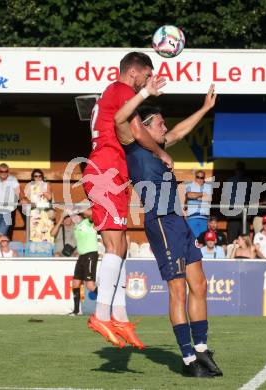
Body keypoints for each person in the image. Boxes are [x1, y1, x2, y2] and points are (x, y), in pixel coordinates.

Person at [115, 81, 222, 377]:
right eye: (160, 123)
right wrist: (143, 93)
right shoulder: (134, 146)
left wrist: (204, 108)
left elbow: (179, 132)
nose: (165, 128)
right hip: (161, 221)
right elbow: (120, 119)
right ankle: (188, 360)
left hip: (179, 221)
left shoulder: (158, 144)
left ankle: (201, 349)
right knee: (178, 290)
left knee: (199, 285)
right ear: (145, 126)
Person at [84, 52, 172, 350]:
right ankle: (100, 314)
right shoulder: (122, 90)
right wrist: (160, 153)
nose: (150, 81)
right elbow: (135, 131)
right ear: (137, 71)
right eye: (148, 75)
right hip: (105, 171)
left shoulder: (117, 93)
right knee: (114, 247)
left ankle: (119, 316)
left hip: (113, 173)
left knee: (120, 247)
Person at [70, 209, 98, 316]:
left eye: (77, 216)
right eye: (73, 217)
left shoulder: (87, 222)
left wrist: (79, 209)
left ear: (82, 217)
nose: (74, 218)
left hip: (90, 254)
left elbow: (92, 213)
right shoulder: (76, 228)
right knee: (75, 283)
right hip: (82, 256)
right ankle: (76, 311)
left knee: (90, 286)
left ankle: (106, 306)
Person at [225, 161, 251, 244]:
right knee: (232, 238)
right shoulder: (230, 180)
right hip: (233, 211)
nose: (240, 171)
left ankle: (244, 255)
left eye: (241, 169)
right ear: (235, 170)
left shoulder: (248, 181)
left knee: (244, 238)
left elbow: (253, 197)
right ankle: (230, 256)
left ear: (244, 170)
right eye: (238, 169)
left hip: (245, 211)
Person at [185, 170, 213, 238]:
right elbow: (189, 195)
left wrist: (194, 196)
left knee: (202, 240)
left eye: (202, 177)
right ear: (195, 177)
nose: (200, 179)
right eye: (198, 177)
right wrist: (202, 194)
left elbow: (209, 198)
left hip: (204, 217)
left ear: (204, 178)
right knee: (192, 239)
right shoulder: (189, 185)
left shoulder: (208, 186)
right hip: (191, 217)